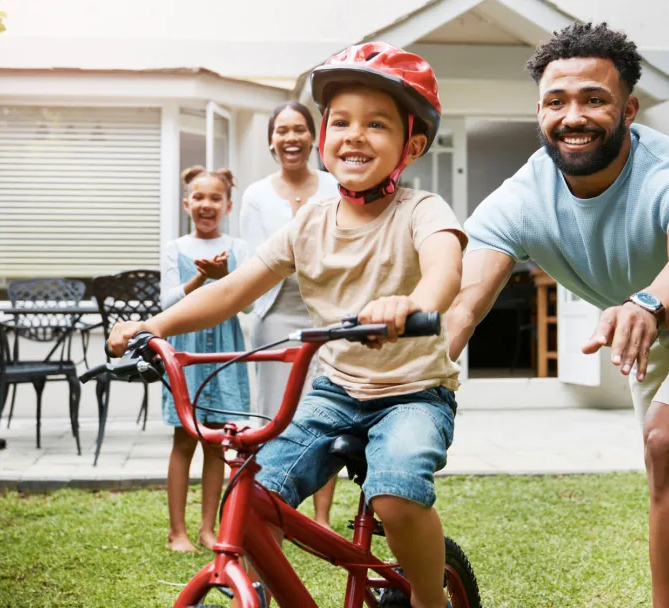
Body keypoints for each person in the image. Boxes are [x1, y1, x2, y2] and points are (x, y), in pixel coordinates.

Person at [111, 42, 466, 608]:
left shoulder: (422, 210)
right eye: (341, 122)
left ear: (412, 145)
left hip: (413, 393)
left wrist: (410, 303)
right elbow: (232, 290)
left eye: (376, 124)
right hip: (335, 390)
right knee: (254, 496)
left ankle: (429, 599)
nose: (354, 135)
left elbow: (445, 269)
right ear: (325, 137)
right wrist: (151, 325)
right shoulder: (309, 223)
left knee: (397, 495)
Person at [443, 22, 669, 608]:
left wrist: (646, 304)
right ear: (539, 111)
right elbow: (466, 298)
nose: (574, 116)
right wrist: (424, 362)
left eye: (594, 99)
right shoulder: (523, 197)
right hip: (647, 325)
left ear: (629, 109)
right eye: (556, 101)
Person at [239, 101, 341, 528]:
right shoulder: (256, 196)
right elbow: (254, 262)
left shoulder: (335, 185)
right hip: (274, 316)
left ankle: (321, 518)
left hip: (327, 317)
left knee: (327, 411)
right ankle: (272, 511)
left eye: (299, 129)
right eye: (282, 131)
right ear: (271, 141)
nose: (291, 138)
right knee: (273, 416)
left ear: (313, 137)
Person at [158, 165, 252, 553]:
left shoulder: (238, 248)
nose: (206, 204)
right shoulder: (175, 248)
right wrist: (201, 278)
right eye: (198, 197)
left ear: (227, 206)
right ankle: (176, 532)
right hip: (187, 352)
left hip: (223, 353)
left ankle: (207, 529)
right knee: (184, 440)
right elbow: (166, 304)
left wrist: (226, 275)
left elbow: (248, 305)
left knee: (217, 444)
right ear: (187, 204)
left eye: (215, 198)